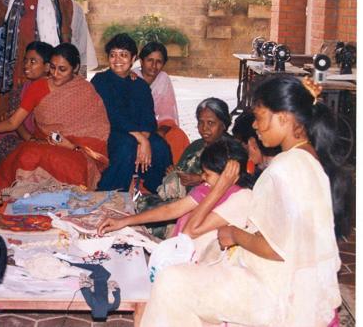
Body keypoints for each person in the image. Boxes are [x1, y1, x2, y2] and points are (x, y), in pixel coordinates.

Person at [141, 76, 344, 327]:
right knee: (195, 274)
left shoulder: (286, 167)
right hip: (295, 284)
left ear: (284, 117)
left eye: (259, 118)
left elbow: (277, 248)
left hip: (278, 293)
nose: (256, 128)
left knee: (172, 281)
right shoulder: (309, 159)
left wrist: (235, 234)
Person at [0, 43, 110, 190]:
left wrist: (72, 146)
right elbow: (13, 123)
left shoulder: (85, 89)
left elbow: (97, 127)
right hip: (43, 142)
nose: (55, 74)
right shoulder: (38, 87)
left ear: (75, 68)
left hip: (75, 149)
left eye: (62, 69)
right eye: (53, 67)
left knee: (72, 167)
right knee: (28, 156)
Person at [98, 138, 254, 251]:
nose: (203, 178)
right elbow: (171, 210)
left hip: (200, 266)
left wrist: (220, 188)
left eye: (207, 174)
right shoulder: (207, 188)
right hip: (179, 251)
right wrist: (125, 221)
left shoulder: (240, 198)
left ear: (227, 175)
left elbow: (189, 232)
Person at [0, 0, 72, 121]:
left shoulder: (57, 0)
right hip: (18, 64)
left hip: (44, 65)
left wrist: (67, 64)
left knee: (42, 107)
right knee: (17, 107)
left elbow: (66, 34)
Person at [91, 33, 171, 193]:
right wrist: (141, 140)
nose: (117, 60)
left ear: (133, 58)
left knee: (160, 147)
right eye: (113, 55)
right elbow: (112, 114)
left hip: (137, 134)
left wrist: (145, 139)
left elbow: (148, 117)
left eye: (123, 55)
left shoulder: (140, 85)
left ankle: (158, 190)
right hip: (110, 131)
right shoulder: (100, 80)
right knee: (127, 146)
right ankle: (110, 194)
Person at [0, 41, 52, 177]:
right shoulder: (24, 87)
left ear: (47, 67)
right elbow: (13, 117)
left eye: (33, 61)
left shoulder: (49, 89)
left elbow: (15, 122)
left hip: (37, 137)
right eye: (26, 60)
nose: (26, 65)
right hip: (18, 130)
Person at [158, 97, 232, 200]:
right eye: (200, 122)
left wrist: (201, 179)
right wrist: (175, 173)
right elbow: (181, 170)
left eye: (211, 123)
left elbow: (233, 184)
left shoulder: (232, 150)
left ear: (224, 124)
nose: (204, 128)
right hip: (185, 201)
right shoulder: (196, 146)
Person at [133, 41, 188, 164]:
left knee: (178, 136)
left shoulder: (163, 79)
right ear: (141, 61)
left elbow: (168, 113)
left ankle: (175, 175)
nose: (154, 65)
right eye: (150, 60)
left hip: (158, 126)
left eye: (159, 62)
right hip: (135, 127)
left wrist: (161, 132)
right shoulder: (132, 76)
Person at [50, 0, 98, 78]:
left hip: (71, 65)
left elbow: (83, 42)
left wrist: (81, 73)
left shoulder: (77, 9)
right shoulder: (46, 7)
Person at [232, 110, 281, 178]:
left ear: (252, 144)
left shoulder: (269, 173)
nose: (241, 151)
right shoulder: (281, 161)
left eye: (240, 145)